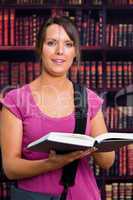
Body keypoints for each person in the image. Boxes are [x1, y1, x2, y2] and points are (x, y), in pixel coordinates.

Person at [0, 16, 115, 200]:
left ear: (75, 52)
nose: (60, 51)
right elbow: (10, 168)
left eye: (68, 44)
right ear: (40, 48)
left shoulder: (89, 99)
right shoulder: (16, 100)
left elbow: (107, 162)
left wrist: (98, 146)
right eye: (52, 43)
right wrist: (51, 163)